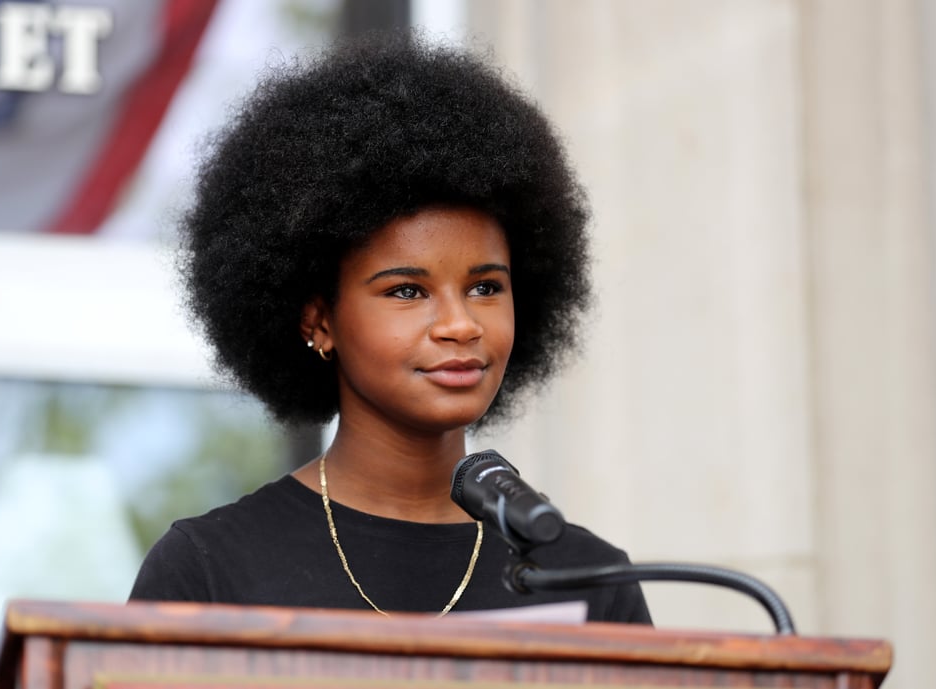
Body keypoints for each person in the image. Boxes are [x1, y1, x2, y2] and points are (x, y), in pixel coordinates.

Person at [129, 33, 651, 624]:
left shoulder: (586, 580)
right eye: (407, 291)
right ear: (319, 320)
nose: (460, 324)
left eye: (485, 287)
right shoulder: (211, 570)